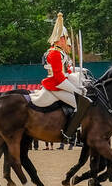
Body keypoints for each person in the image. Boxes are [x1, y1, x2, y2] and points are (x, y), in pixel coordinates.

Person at [31, 13, 90, 142]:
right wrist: (76, 91)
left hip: (57, 83)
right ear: (61, 39)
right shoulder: (55, 53)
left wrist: (82, 70)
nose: (66, 42)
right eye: (65, 38)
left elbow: (67, 71)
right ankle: (69, 134)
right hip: (55, 85)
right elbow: (59, 78)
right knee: (79, 104)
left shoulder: (57, 52)